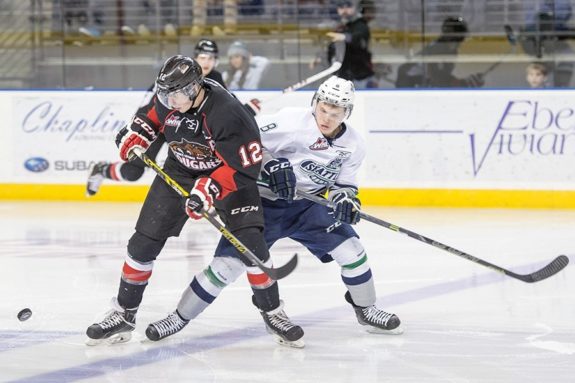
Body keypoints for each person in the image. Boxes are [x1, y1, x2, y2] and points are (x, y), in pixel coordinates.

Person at [146, 76, 403, 348]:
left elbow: (345, 184)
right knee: (225, 267)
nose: (326, 117)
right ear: (315, 103)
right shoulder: (290, 121)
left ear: (346, 113)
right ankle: (178, 317)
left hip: (309, 206)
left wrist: (346, 200)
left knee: (352, 251)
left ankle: (366, 309)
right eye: (323, 109)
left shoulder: (353, 144)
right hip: (262, 204)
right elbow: (244, 138)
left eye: (335, 113)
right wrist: (271, 165)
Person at [85, 55, 302, 346]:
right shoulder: (169, 97)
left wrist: (210, 189)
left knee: (251, 245)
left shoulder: (228, 113)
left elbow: (245, 167)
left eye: (176, 94)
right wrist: (137, 135)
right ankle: (124, 314)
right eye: (166, 94)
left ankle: (274, 312)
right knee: (143, 242)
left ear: (194, 88)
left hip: (228, 176)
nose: (170, 101)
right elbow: (151, 117)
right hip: (181, 170)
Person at [85, 39, 259, 196]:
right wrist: (142, 128)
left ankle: (206, 197)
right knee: (133, 172)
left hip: (191, 129)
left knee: (211, 162)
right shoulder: (172, 76)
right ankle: (102, 169)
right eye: (203, 57)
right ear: (195, 58)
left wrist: (247, 110)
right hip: (162, 126)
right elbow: (148, 109)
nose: (207, 62)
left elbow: (229, 108)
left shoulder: (215, 78)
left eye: (211, 58)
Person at [395, 16, 485, 88]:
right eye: (460, 36)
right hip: (408, 81)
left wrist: (461, 83)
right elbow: (436, 77)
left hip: (420, 80)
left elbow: (442, 78)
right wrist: (461, 83)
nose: (462, 40)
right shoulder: (437, 48)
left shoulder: (452, 51)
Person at [311, 0, 376, 89]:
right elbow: (332, 47)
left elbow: (359, 38)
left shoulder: (359, 25)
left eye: (348, 7)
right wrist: (320, 57)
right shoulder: (339, 26)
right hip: (342, 77)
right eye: (341, 7)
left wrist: (345, 37)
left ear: (355, 9)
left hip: (359, 77)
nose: (344, 10)